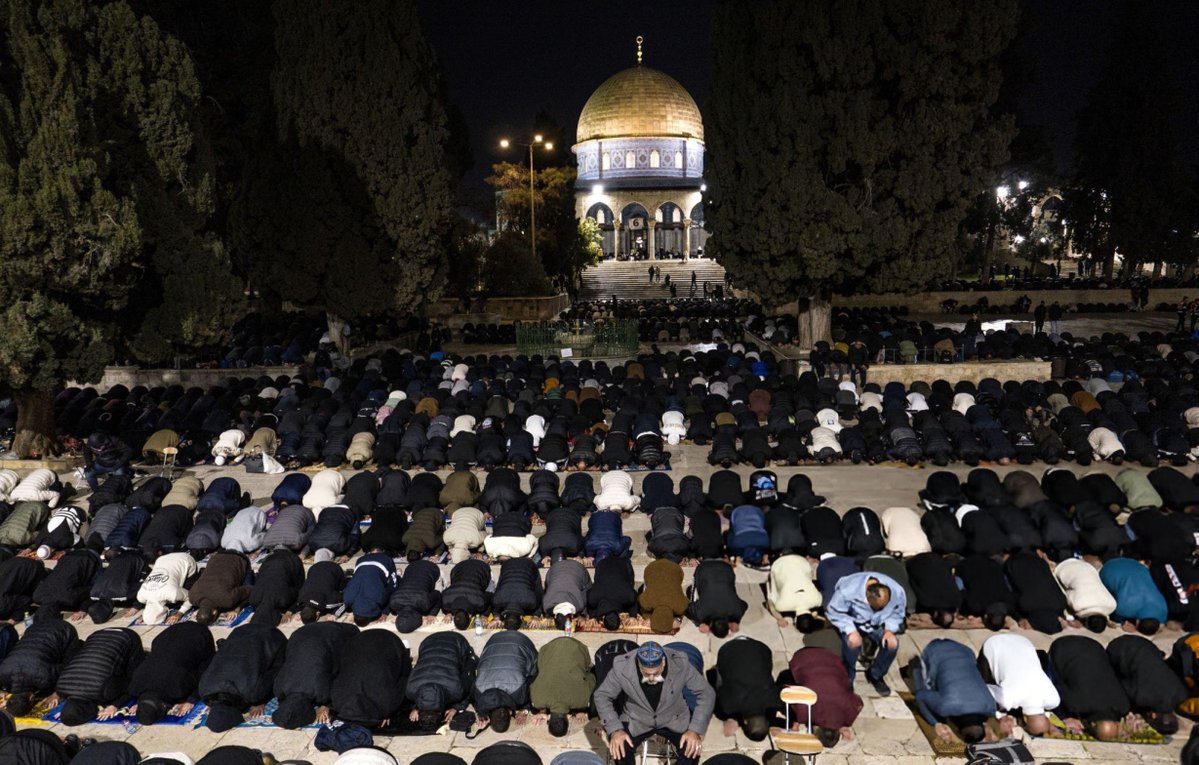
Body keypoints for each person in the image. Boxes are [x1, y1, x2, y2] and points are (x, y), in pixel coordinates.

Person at [593, 641, 714, 765]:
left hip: (674, 718)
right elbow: (602, 695)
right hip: (636, 719)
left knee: (693, 748)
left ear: (663, 662)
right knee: (620, 747)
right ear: (638, 663)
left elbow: (706, 693)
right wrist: (615, 730)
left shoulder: (680, 663)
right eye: (646, 673)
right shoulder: (622, 666)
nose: (651, 678)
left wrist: (695, 730)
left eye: (656, 673)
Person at [825, 571, 906, 695]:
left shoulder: (897, 591)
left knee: (892, 644)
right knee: (852, 643)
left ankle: (876, 675)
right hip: (852, 621)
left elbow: (897, 614)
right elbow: (834, 612)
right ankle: (848, 677)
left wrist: (889, 630)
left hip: (877, 623)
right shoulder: (847, 590)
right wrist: (851, 630)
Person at [198, 622, 288, 733]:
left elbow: (275, 676)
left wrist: (261, 701)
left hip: (271, 636)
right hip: (240, 631)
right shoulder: (204, 690)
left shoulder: (251, 693)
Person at [272, 621, 358, 729]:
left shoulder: (320, 692)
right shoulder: (278, 689)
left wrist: (327, 706)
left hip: (333, 633)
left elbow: (340, 686)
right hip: (301, 632)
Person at [128, 621, 215, 726]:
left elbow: (202, 680)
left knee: (209, 668)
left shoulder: (176, 688)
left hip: (198, 635)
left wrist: (191, 700)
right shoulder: (135, 686)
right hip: (168, 634)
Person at [54, 627, 145, 726]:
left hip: (127, 637)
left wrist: (115, 705)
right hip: (97, 635)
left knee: (137, 674)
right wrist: (68, 712)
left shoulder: (104, 691)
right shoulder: (60, 688)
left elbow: (132, 687)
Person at [912, 639, 995, 744]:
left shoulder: (991, 707)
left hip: (965, 651)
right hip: (935, 650)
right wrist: (935, 722)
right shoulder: (945, 708)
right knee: (926, 689)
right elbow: (920, 696)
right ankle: (916, 668)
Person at [1049, 634, 1129, 741]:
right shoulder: (1076, 706)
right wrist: (1065, 717)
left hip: (1094, 646)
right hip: (1063, 647)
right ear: (1092, 725)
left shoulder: (1124, 705)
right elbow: (1054, 693)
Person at [978, 633, 1058, 737]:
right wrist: (998, 715)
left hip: (1024, 641)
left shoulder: (1054, 700)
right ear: (1024, 719)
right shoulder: (1007, 700)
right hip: (995, 644)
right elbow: (983, 689)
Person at [0, 614, 80, 718]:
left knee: (72, 661)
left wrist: (57, 694)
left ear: (31, 698)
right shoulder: (3, 674)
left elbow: (67, 672)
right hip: (35, 628)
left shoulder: (44, 677)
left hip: (63, 630)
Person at [330, 628, 411, 730]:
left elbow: (405, 681)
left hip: (388, 641)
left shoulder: (387, 705)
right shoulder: (337, 701)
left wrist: (389, 712)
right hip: (357, 642)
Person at [1107, 634, 1186, 734]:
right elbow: (1118, 685)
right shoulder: (1141, 698)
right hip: (1119, 647)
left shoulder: (1181, 694)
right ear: (1153, 715)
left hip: (1147, 646)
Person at [787, 647, 863, 748]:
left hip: (832, 659)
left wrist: (844, 725)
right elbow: (791, 699)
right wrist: (795, 723)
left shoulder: (849, 715)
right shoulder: (804, 714)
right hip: (804, 658)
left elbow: (858, 702)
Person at [405, 632, 477, 731]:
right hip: (428, 641)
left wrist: (457, 707)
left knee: (466, 662)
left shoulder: (455, 690)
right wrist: (416, 707)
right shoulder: (410, 691)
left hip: (458, 642)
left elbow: (470, 682)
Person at [712, 637, 778, 741]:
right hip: (728, 650)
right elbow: (717, 698)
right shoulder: (728, 707)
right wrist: (734, 720)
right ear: (745, 722)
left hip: (760, 648)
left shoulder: (774, 702)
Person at [472, 630, 539, 733]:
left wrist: (524, 710)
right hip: (493, 640)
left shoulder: (518, 694)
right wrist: (480, 712)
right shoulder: (479, 693)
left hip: (522, 642)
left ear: (510, 713)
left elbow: (532, 686)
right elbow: (473, 697)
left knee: (536, 673)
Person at [529, 636, 596, 737]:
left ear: (567, 720)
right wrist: (541, 711)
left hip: (578, 647)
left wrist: (578, 711)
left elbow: (591, 679)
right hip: (548, 648)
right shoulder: (537, 701)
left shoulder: (582, 701)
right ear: (549, 719)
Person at [1100, 557, 1168, 635]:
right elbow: (1116, 617)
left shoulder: (1164, 612)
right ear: (1137, 622)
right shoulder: (1124, 608)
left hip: (1136, 565)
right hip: (1109, 569)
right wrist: (1123, 623)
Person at [185, 550, 253, 626]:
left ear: (214, 612)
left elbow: (249, 590)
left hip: (239, 557)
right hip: (217, 555)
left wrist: (237, 608)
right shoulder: (192, 597)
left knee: (251, 591)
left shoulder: (227, 600)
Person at [686, 560, 747, 638]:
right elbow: (687, 609)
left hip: (725, 567)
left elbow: (744, 605)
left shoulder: (737, 611)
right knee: (695, 620)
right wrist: (699, 623)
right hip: (704, 569)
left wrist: (736, 620)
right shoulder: (701, 613)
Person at [767, 555, 822, 632]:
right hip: (778, 564)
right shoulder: (782, 606)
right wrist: (779, 618)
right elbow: (770, 602)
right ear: (795, 621)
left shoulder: (818, 601)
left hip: (801, 560)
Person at [343, 549, 397, 626]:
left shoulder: (379, 598)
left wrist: (385, 612)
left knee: (395, 581)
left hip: (384, 561)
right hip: (362, 560)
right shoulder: (347, 598)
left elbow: (392, 588)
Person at [639, 559, 689, 634]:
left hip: (666, 569)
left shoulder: (680, 607)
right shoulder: (647, 602)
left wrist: (647, 617)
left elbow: (642, 607)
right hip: (661, 568)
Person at [492, 557, 543, 631]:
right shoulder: (498, 601)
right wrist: (496, 618)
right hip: (508, 564)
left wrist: (536, 617)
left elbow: (539, 595)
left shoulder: (530, 601)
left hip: (528, 565)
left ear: (521, 617)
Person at [588, 556, 638, 631]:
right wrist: (633, 615)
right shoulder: (594, 597)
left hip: (619, 564)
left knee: (629, 586)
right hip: (604, 564)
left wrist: (633, 616)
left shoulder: (627, 595)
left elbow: (633, 596)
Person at [542, 558, 591, 630]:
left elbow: (586, 592)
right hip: (555, 568)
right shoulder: (546, 605)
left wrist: (583, 615)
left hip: (576, 568)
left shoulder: (579, 604)